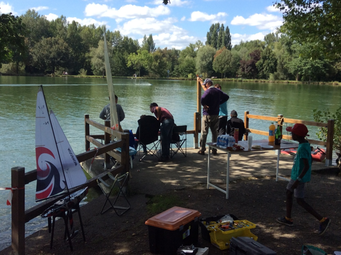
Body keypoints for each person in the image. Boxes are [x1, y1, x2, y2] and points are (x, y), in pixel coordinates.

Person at [276, 123, 331, 235]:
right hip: (297, 175)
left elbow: (306, 166)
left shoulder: (303, 148)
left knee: (298, 199)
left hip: (298, 177)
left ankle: (322, 220)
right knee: (290, 194)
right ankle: (288, 218)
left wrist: (297, 180)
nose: (291, 134)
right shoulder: (304, 145)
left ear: (297, 135)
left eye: (292, 133)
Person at [197, 77, 229, 155]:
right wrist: (219, 103)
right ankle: (214, 149)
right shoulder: (218, 91)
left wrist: (204, 105)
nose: (205, 86)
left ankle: (202, 149)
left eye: (205, 84)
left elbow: (202, 98)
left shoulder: (208, 91)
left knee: (204, 132)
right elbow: (226, 97)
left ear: (208, 84)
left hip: (207, 114)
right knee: (215, 133)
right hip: (216, 115)